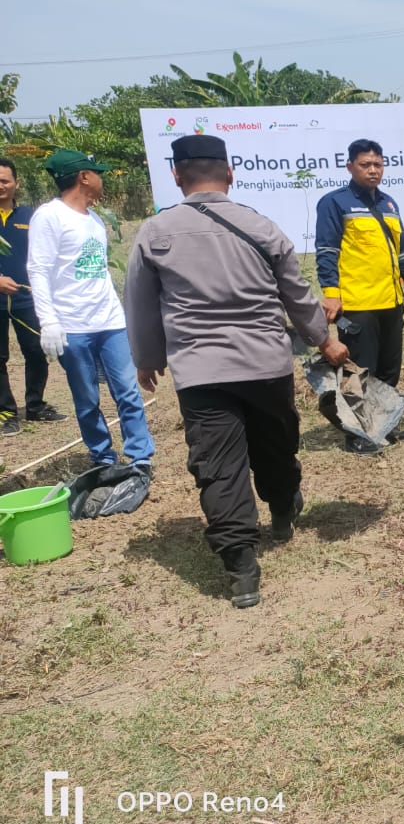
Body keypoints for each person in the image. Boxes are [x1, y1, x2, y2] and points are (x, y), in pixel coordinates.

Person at [125, 135, 349, 609]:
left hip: (200, 371)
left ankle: (241, 569)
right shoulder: (261, 226)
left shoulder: (154, 232)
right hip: (265, 363)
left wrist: (147, 357)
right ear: (229, 174)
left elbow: (140, 303)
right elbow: (297, 294)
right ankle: (284, 509)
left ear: (177, 177)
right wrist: (324, 340)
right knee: (275, 442)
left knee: (217, 464)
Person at [27, 149, 154, 470]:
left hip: (110, 322)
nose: (102, 178)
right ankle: (102, 457)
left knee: (127, 393)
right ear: (84, 177)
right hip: (73, 326)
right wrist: (49, 321)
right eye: (97, 172)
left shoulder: (95, 219)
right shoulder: (49, 216)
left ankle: (141, 458)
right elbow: (38, 270)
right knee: (87, 400)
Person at [315, 139, 404, 452]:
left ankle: (383, 427)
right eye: (365, 165)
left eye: (378, 164)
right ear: (350, 167)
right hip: (358, 303)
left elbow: (403, 251)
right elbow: (326, 250)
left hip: (390, 302)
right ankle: (357, 436)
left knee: (389, 370)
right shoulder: (335, 203)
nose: (373, 170)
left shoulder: (389, 204)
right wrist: (332, 294)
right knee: (359, 373)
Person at [0, 157, 66, 435]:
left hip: (28, 299)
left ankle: (36, 405)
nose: (0, 186)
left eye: (4, 180)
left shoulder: (31, 216)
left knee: (37, 351)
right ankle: (6, 412)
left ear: (16, 183)